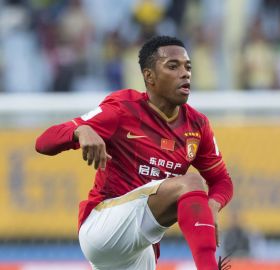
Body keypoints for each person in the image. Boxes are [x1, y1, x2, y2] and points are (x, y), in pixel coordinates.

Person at [35, 35, 233, 270]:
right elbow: (43, 142)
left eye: (188, 67)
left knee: (192, 187)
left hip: (141, 249)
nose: (185, 73)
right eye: (173, 66)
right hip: (103, 227)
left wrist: (212, 205)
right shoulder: (123, 109)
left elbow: (221, 181)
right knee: (191, 182)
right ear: (149, 76)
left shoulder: (197, 125)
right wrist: (82, 131)